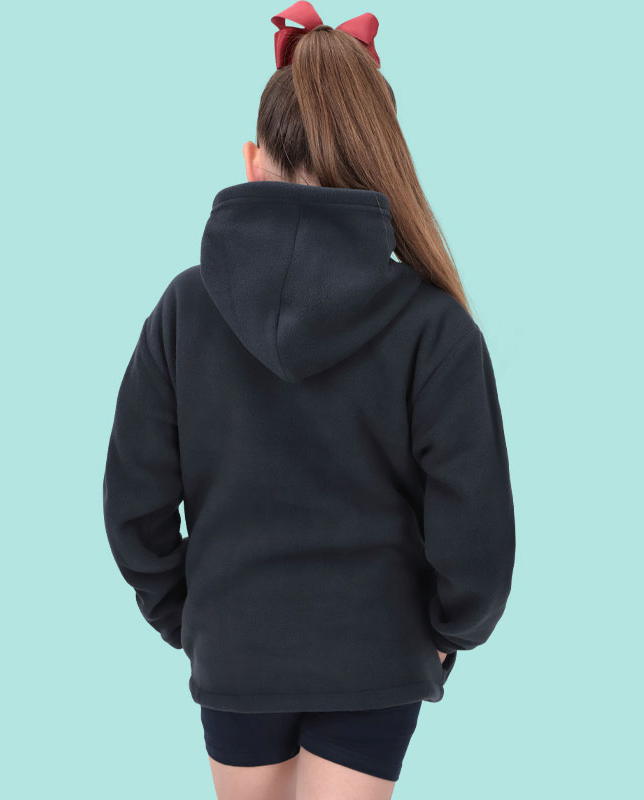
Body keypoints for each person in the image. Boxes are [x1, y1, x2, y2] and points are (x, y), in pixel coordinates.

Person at [102, 3, 516, 798]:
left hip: (234, 649)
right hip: (377, 656)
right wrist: (447, 632)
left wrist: (195, 620)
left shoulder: (184, 311)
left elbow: (133, 507)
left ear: (252, 162)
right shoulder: (434, 326)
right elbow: (477, 531)